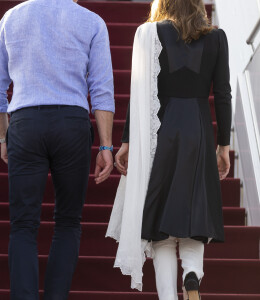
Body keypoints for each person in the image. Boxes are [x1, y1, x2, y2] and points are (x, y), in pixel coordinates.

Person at [0, 0, 115, 299]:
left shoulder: (10, 18)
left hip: (26, 123)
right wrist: (106, 145)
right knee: (68, 221)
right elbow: (102, 89)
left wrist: (4, 137)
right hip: (72, 124)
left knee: (22, 225)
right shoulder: (92, 22)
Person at [106, 0, 231, 299]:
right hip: (199, 131)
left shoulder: (150, 33)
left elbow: (140, 91)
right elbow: (223, 93)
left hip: (161, 134)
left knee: (161, 227)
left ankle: (167, 296)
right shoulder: (217, 37)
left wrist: (126, 141)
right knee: (194, 215)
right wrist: (223, 144)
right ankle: (191, 275)